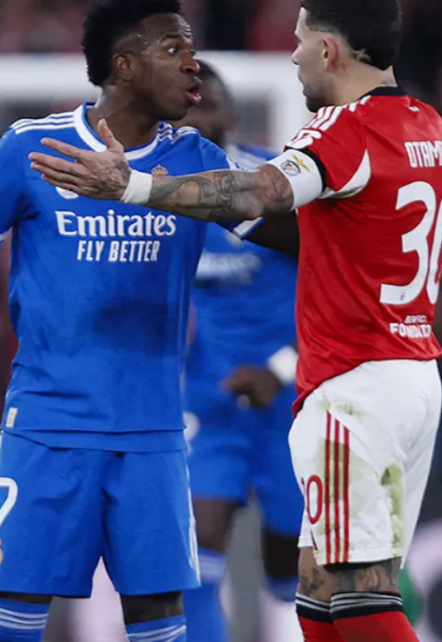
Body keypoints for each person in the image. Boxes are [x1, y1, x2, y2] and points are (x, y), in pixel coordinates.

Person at [29, 0, 442, 642]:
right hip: (410, 377)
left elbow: (257, 192)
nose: (293, 55)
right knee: (319, 593)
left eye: (301, 39)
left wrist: (132, 186)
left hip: (353, 385)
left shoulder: (342, 132)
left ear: (331, 51)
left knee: (360, 594)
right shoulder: (433, 127)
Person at [0, 0, 294, 642]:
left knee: (158, 611)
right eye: (173, 48)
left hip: (155, 433)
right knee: (17, 605)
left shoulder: (194, 160)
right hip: (47, 425)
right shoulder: (32, 147)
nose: (193, 64)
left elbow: (295, 238)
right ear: (124, 65)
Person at [174, 62, 303, 642]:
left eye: (208, 104)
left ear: (231, 112)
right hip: (212, 403)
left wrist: (280, 369)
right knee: (197, 556)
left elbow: (344, 293)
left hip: (292, 402)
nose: (195, 118)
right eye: (186, 106)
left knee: (291, 577)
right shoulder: (154, 198)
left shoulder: (276, 186)